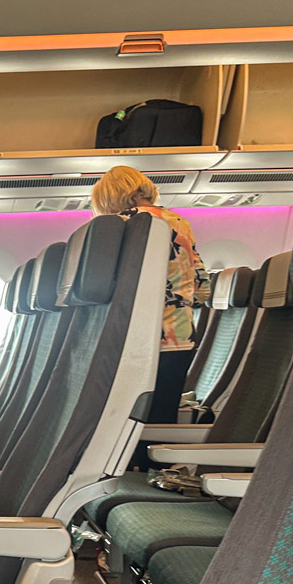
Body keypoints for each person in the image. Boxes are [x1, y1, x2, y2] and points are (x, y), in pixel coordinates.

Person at [90, 166, 210, 423]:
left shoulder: (118, 225)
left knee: (125, 421)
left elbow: (104, 288)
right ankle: (157, 464)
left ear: (109, 196)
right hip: (180, 337)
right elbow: (203, 289)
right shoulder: (180, 223)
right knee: (159, 420)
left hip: (135, 339)